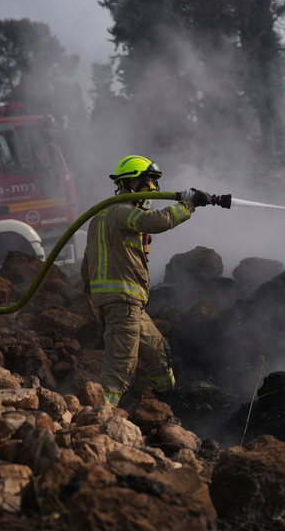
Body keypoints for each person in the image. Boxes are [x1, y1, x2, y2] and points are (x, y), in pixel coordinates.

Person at [80, 155, 210, 407]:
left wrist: (95, 295)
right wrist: (189, 204)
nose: (153, 187)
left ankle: (170, 404)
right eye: (149, 180)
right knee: (120, 367)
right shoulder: (123, 210)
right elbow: (154, 221)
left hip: (127, 303)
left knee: (157, 351)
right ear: (131, 182)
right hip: (123, 301)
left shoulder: (99, 217)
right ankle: (96, 418)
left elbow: (88, 261)